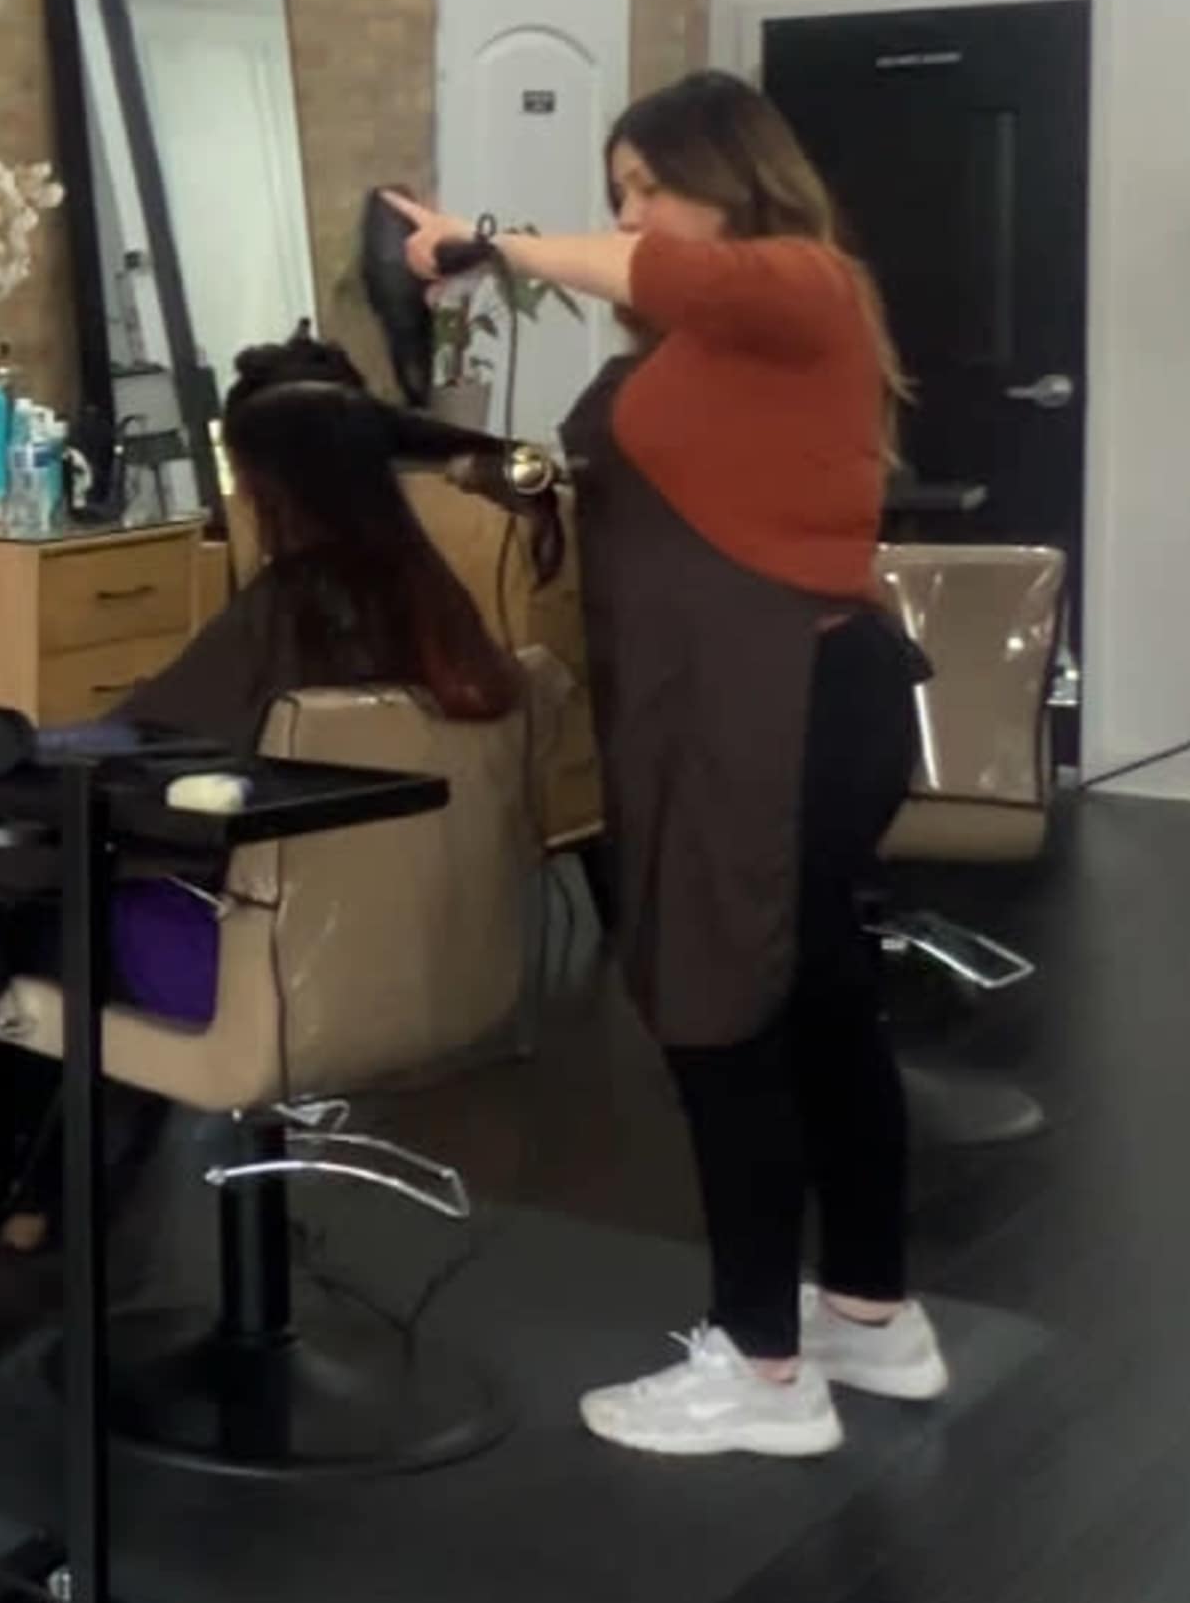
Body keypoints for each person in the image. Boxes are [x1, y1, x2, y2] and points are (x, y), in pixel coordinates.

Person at [385, 73, 936, 1461]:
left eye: (645, 181)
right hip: (780, 696)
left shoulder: (802, 281)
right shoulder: (698, 349)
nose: (628, 212)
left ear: (728, 175)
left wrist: (490, 243)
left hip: (784, 697)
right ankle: (870, 1316)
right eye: (616, 187)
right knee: (814, 993)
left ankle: (761, 1373)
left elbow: (659, 271)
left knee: (726, 1002)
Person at [0, 339, 530, 1259]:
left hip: (281, 969)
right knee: (75, 901)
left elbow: (148, 736)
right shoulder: (445, 612)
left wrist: (23, 750)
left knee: (8, 906)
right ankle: (22, 1190)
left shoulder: (292, 608)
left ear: (272, 488)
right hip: (427, 953)